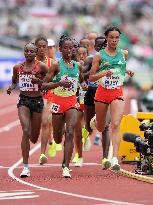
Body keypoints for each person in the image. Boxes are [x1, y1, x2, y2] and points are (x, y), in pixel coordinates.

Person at [35, 35, 85, 178]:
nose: (69, 50)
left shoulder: (78, 66)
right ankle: (55, 141)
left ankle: (66, 166)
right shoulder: (56, 65)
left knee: (69, 132)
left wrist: (84, 85)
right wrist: (59, 84)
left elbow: (81, 81)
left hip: (71, 102)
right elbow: (44, 84)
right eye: (66, 48)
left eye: (71, 48)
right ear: (60, 49)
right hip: (57, 102)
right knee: (58, 137)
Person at [89, 26, 134, 171]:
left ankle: (114, 158)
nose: (114, 40)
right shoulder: (99, 56)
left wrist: (127, 71)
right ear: (106, 39)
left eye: (116, 38)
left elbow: (121, 67)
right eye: (111, 38)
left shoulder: (124, 53)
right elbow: (91, 76)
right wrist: (104, 74)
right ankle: (95, 121)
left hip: (117, 92)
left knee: (115, 124)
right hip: (102, 93)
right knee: (101, 127)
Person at [7, 42, 48, 177]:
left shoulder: (41, 66)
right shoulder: (17, 67)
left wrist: (40, 82)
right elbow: (14, 81)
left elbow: (50, 80)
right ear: (24, 52)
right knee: (25, 130)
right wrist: (11, 87)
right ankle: (25, 166)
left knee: (34, 137)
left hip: (37, 101)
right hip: (23, 100)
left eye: (31, 51)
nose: (29, 53)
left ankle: (33, 136)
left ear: (36, 53)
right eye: (27, 51)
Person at [83, 36, 110, 163]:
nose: (102, 47)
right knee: (88, 126)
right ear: (95, 47)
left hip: (105, 94)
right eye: (100, 45)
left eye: (105, 45)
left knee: (105, 127)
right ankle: (85, 137)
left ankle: (105, 157)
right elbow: (81, 75)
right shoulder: (90, 59)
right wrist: (95, 69)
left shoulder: (112, 60)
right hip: (91, 93)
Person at [35, 36, 58, 165]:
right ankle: (50, 141)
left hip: (49, 96)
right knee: (40, 125)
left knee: (46, 122)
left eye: (48, 47)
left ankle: (42, 153)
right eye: (42, 47)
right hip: (35, 97)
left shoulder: (53, 62)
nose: (45, 49)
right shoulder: (30, 62)